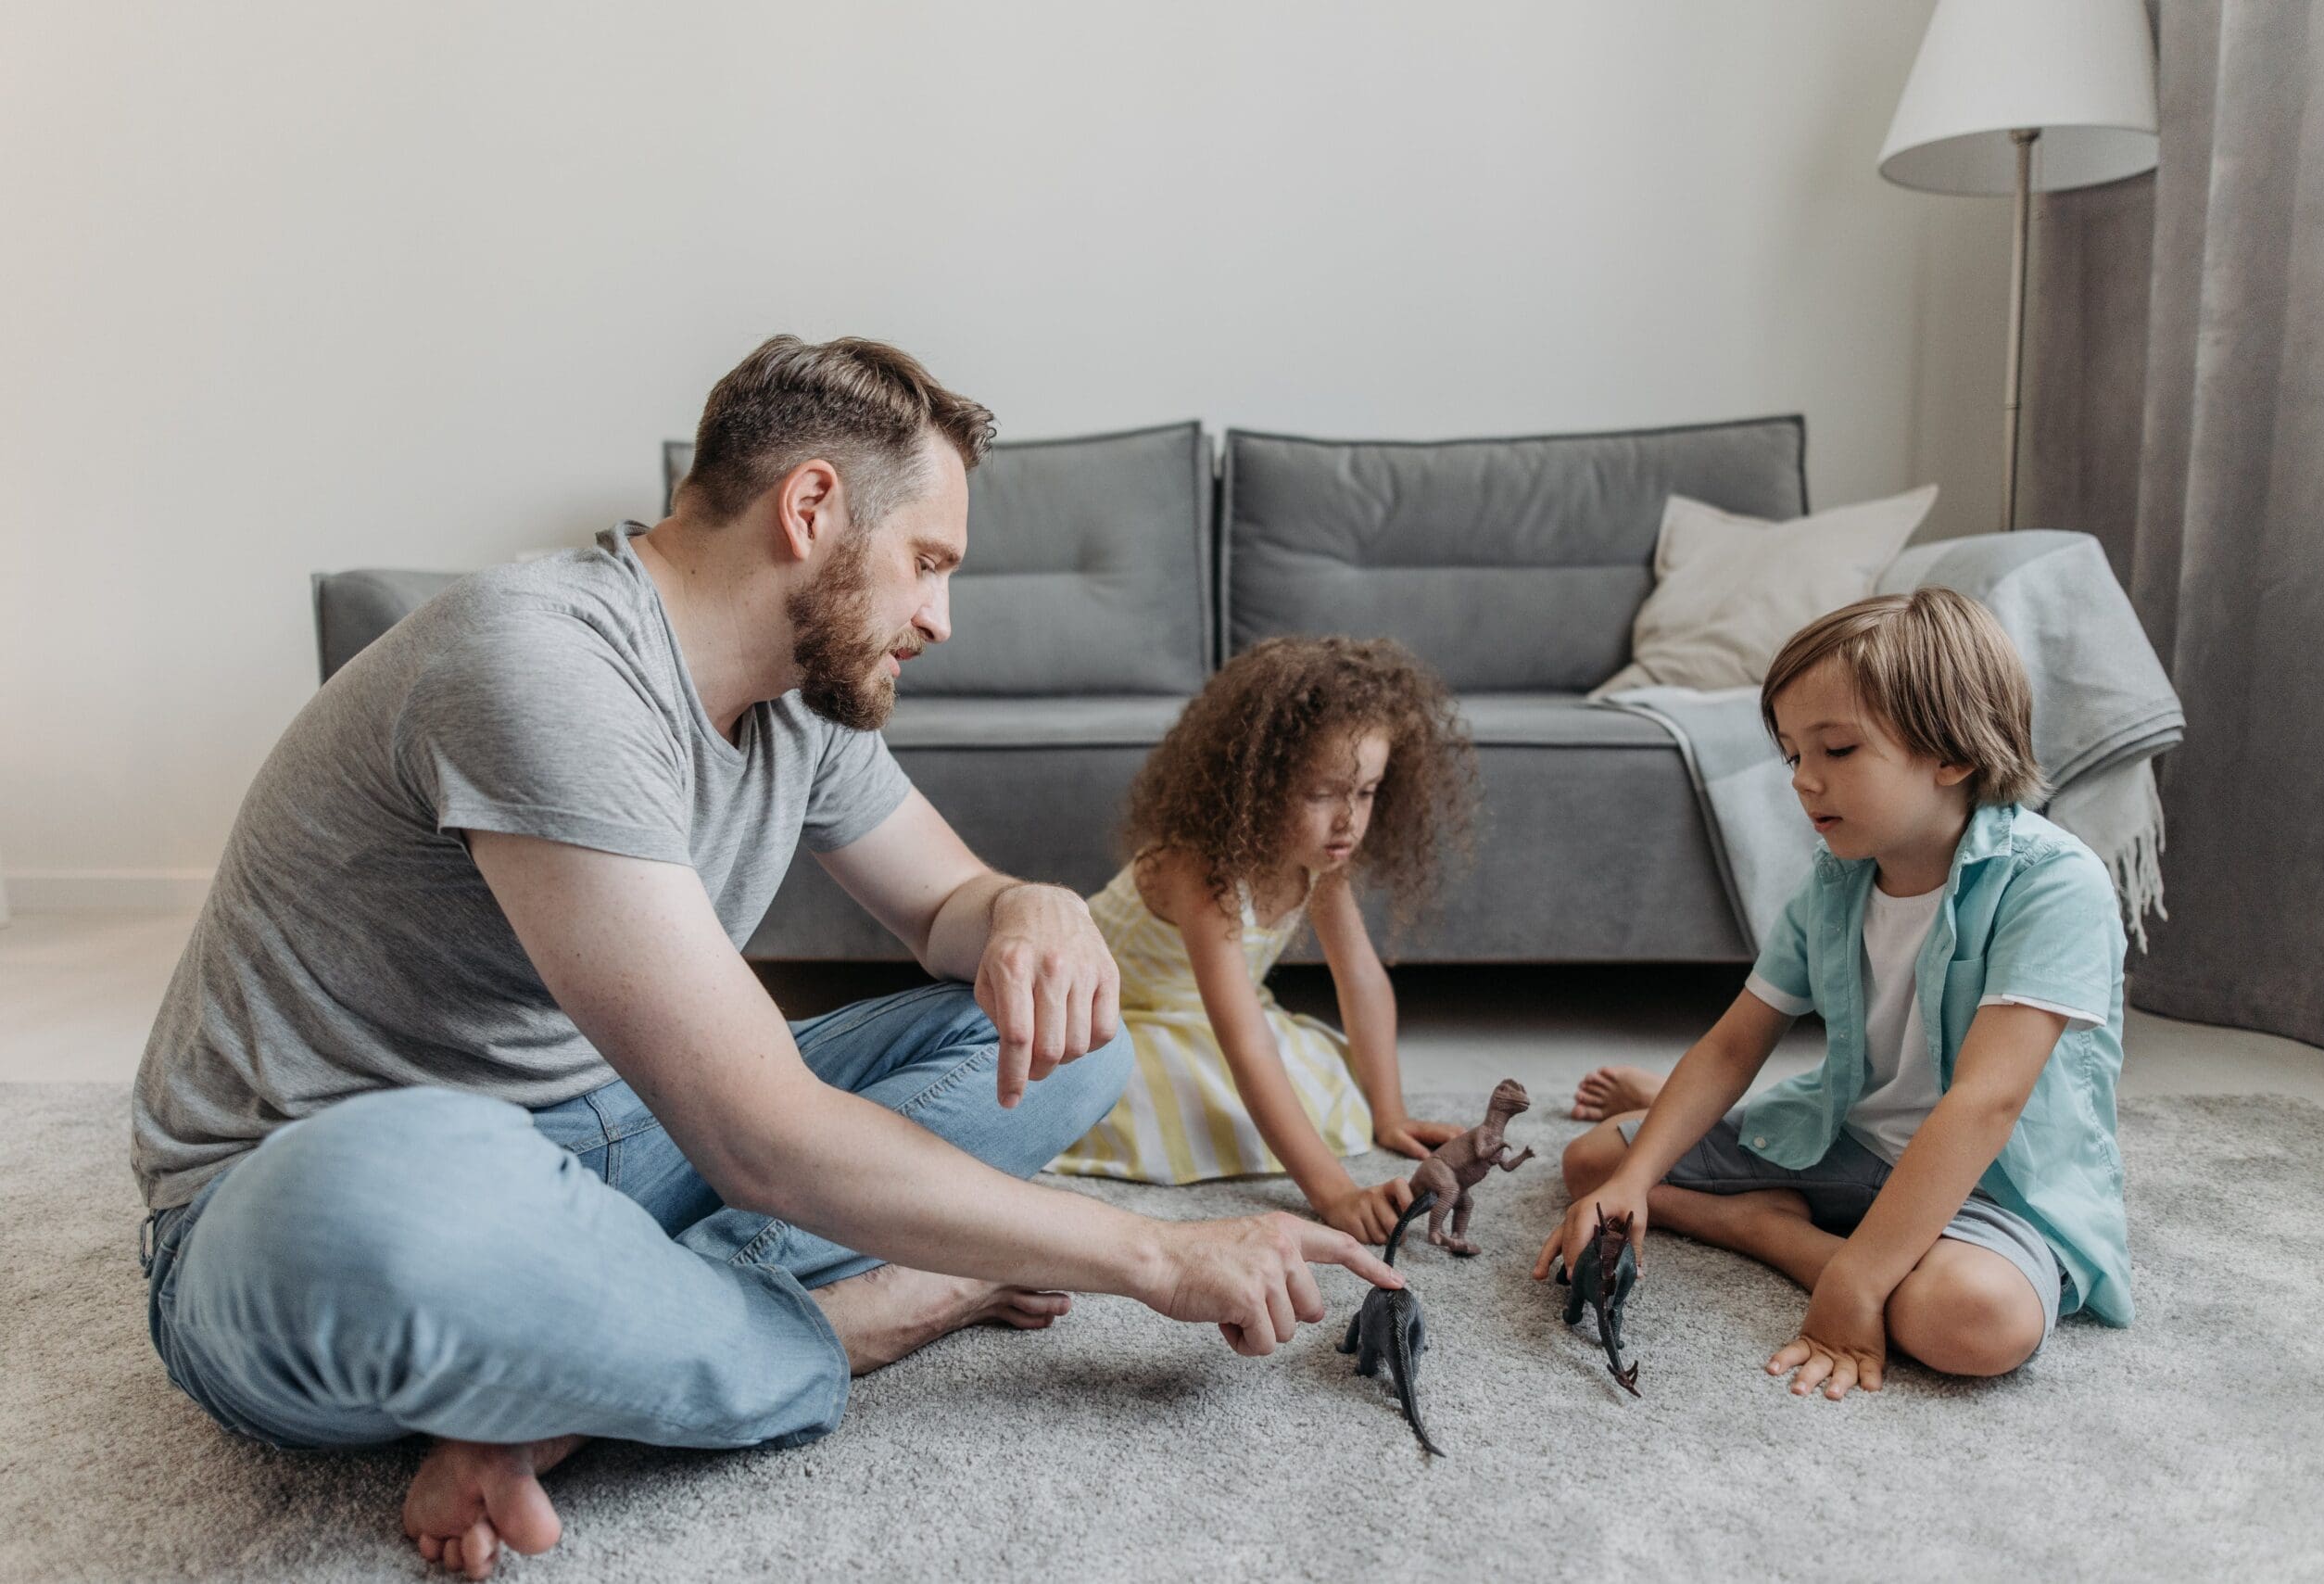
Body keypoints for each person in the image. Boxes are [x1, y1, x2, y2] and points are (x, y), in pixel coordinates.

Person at [132, 336, 1397, 1581]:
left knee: (1077, 1040)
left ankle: (577, 1376)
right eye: (928, 563)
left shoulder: (805, 698)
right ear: (811, 508)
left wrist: (1028, 907)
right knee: (395, 1188)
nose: (939, 618)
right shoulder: (543, 662)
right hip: (299, 1203)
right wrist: (1153, 1253)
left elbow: (949, 902)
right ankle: (863, 1317)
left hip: (606, 1134)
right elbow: (759, 1139)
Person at [1535, 588, 2133, 1399]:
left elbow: (1984, 1104)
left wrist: (1850, 1285)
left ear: (1953, 753)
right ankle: (1785, 1217)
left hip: (1990, 1183)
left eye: (1838, 750)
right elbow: (1736, 1041)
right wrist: (1634, 1181)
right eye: (1792, 756)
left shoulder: (2054, 884)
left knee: (1973, 1322)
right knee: (1595, 1164)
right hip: (1848, 1137)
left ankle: (1770, 1230)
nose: (1805, 782)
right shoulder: (1835, 882)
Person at [1051, 637, 1477, 1244]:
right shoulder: (1200, 868)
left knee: (1327, 1078)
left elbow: (1360, 977)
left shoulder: (1321, 858)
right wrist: (1334, 1192)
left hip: (1204, 1013)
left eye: (1366, 791)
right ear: (1252, 782)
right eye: (1322, 792)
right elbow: (1245, 1043)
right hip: (1110, 1017)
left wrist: (1390, 1111)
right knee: (1190, 1103)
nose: (1348, 820)